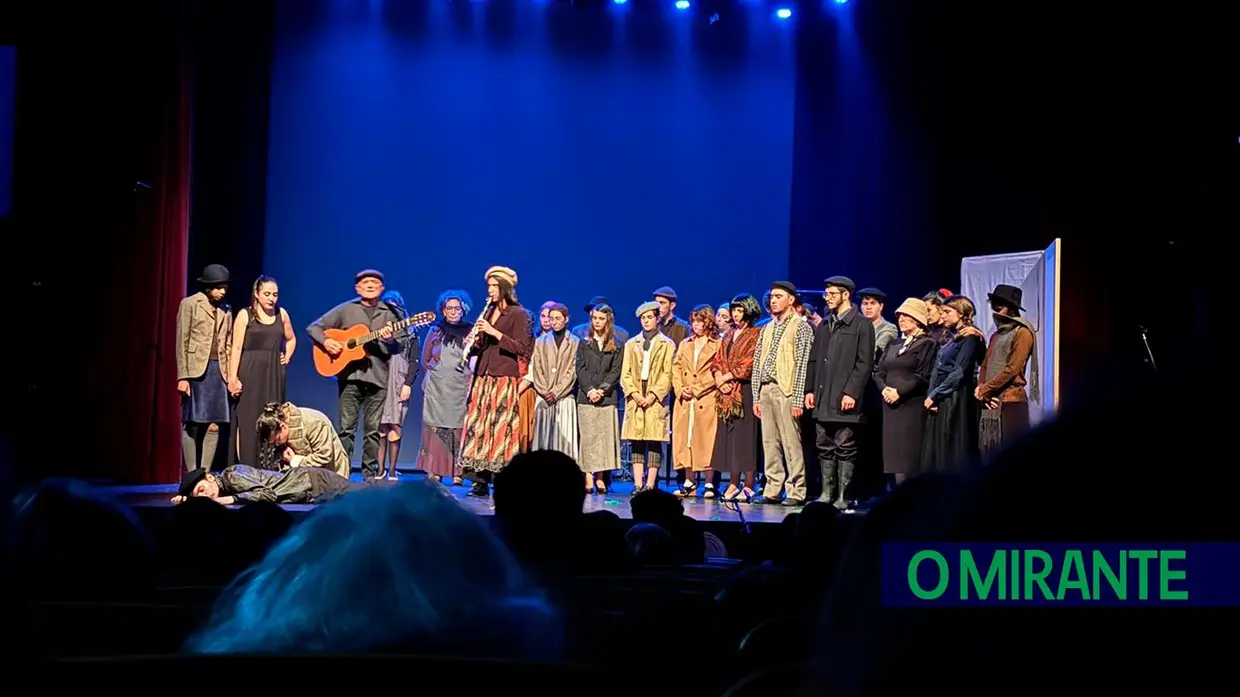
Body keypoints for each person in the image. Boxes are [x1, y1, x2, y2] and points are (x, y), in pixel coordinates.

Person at [306, 269, 402, 479]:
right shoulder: (346, 309)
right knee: (346, 429)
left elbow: (400, 345)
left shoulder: (390, 313)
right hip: (350, 377)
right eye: (365, 282)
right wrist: (327, 341)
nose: (369, 285)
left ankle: (369, 478)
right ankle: (341, 475)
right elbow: (314, 328)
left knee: (373, 432)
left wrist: (389, 340)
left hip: (377, 378)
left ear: (382, 288)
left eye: (375, 282)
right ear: (358, 288)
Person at [460, 266, 534, 498]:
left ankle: (502, 480)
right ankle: (478, 481)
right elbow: (483, 345)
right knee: (479, 427)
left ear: (504, 288)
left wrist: (494, 332)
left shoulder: (519, 313)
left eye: (494, 286)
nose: (490, 290)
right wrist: (474, 341)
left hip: (503, 376)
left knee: (500, 428)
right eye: (488, 286)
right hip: (483, 375)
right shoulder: (488, 310)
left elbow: (521, 348)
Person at [805, 276, 876, 509]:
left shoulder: (861, 325)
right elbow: (814, 360)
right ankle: (827, 493)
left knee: (844, 445)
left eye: (832, 294)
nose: (828, 298)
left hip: (845, 397)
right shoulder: (826, 323)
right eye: (826, 294)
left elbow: (864, 363)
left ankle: (843, 496)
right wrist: (810, 390)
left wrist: (851, 392)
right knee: (823, 443)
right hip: (824, 396)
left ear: (846, 295)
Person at [751, 281, 814, 507]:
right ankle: (773, 488)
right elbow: (758, 361)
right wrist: (756, 395)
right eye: (772, 297)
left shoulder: (801, 326)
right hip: (766, 389)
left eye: (779, 296)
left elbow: (803, 364)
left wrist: (798, 398)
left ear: (791, 300)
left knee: (790, 442)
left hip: (786, 389)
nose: (773, 300)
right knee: (769, 442)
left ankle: (797, 489)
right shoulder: (767, 327)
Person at [227, 275, 295, 469]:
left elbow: (291, 339)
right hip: (249, 372)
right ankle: (246, 468)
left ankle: (270, 468)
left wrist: (287, 356)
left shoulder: (281, 314)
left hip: (273, 373)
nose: (271, 298)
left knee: (272, 420)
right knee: (248, 421)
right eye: (266, 294)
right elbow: (236, 347)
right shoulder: (245, 315)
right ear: (256, 294)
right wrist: (233, 378)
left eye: (275, 294)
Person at [176, 264, 233, 472]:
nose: (222, 292)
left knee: (214, 423)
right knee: (192, 422)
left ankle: (205, 473)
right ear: (208, 287)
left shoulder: (227, 309)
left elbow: (227, 342)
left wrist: (230, 376)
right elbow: (182, 340)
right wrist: (182, 376)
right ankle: (192, 474)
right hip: (196, 371)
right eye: (218, 288)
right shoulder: (190, 304)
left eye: (225, 288)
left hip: (218, 371)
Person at [874, 299, 937, 485]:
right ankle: (896, 494)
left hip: (911, 405)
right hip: (889, 406)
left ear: (918, 319)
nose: (901, 319)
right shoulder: (894, 343)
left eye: (906, 316)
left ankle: (911, 496)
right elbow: (878, 371)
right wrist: (884, 389)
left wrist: (899, 392)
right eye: (900, 316)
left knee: (909, 454)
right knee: (894, 455)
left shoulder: (928, 344)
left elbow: (923, 374)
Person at [921, 295, 985, 473]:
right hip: (941, 396)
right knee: (936, 448)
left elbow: (959, 371)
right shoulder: (951, 337)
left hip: (955, 397)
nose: (944, 316)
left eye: (948, 312)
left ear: (962, 313)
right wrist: (931, 394)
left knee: (952, 446)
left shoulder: (970, 337)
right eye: (942, 312)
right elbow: (937, 367)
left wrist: (935, 395)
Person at [416, 290, 474, 485]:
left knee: (458, 429)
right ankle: (435, 470)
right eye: (449, 308)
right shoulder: (436, 330)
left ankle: (459, 472)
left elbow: (476, 359)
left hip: (461, 387)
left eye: (457, 308)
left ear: (463, 309)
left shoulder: (471, 331)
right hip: (438, 387)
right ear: (443, 310)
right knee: (436, 427)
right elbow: (425, 359)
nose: (453, 311)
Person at [620, 301, 676, 493]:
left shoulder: (667, 344)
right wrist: (634, 394)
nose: (646, 321)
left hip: (655, 397)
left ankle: (650, 484)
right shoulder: (631, 344)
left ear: (657, 318)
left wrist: (653, 395)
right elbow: (625, 374)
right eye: (643, 318)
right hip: (636, 394)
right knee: (636, 440)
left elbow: (667, 374)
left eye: (649, 317)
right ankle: (637, 483)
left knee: (653, 440)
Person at [976, 283, 1037, 457]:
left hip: (1011, 401)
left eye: (1000, 306)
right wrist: (982, 390)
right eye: (993, 305)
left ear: (1010, 308)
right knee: (990, 452)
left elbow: (1013, 369)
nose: (995, 310)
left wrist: (985, 389)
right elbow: (985, 365)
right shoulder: (996, 335)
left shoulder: (1022, 332)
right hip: (992, 401)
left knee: (1010, 453)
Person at [713, 293, 762, 502]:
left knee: (745, 439)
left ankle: (749, 483)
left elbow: (749, 363)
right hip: (726, 393)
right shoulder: (728, 334)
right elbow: (717, 360)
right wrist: (719, 378)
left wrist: (728, 376)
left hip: (744, 391)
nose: (735, 313)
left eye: (740, 309)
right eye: (733, 309)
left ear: (749, 311)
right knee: (731, 438)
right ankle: (733, 482)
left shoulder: (755, 333)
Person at [671, 304, 721, 498]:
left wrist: (698, 388)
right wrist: (681, 389)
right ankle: (689, 481)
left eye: (699, 321)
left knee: (706, 440)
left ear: (707, 322)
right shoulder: (685, 343)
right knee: (686, 440)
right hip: (685, 399)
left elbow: (717, 370)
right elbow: (676, 368)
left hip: (705, 398)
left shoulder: (717, 344)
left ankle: (709, 483)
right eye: (693, 321)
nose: (696, 325)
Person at [575, 303, 623, 493]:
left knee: (603, 438)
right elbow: (580, 368)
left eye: (601, 319)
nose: (597, 322)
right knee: (588, 438)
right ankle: (588, 476)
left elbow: (615, 371)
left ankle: (601, 477)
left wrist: (602, 390)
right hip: (586, 397)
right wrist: (590, 390)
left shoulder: (617, 344)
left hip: (607, 397)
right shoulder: (584, 342)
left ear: (608, 320)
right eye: (594, 318)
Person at [376, 290, 421, 481]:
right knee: (380, 426)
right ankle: (379, 470)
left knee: (395, 424)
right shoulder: (375, 330)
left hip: (399, 381)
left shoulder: (410, 332)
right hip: (379, 380)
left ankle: (393, 470)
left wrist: (408, 384)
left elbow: (414, 361)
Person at [172, 462, 353, 506]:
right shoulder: (225, 483)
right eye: (199, 496)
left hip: (315, 482)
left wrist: (227, 500)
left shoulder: (232, 476)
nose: (204, 496)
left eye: (201, 489)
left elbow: (267, 494)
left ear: (210, 477)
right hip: (312, 490)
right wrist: (187, 500)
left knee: (367, 493)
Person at [530, 302, 581, 457]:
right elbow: (537, 368)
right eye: (551, 319)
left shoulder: (575, 342)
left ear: (566, 319)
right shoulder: (540, 341)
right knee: (543, 439)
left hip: (564, 397)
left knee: (563, 440)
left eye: (558, 318)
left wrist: (557, 391)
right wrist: (544, 391)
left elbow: (573, 370)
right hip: (544, 397)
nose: (554, 322)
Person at [255, 401, 352, 478]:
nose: (277, 444)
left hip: (333, 474)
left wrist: (295, 460)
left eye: (278, 440)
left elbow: (324, 456)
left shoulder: (314, 423)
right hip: (307, 478)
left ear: (283, 427)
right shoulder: (281, 430)